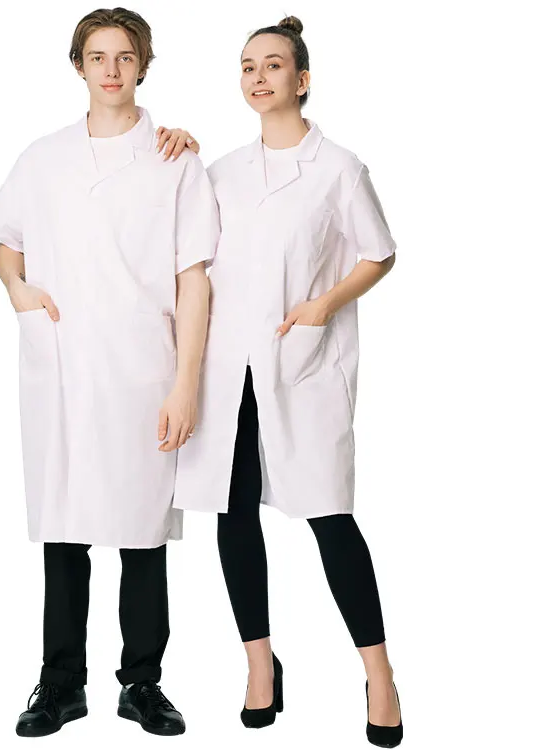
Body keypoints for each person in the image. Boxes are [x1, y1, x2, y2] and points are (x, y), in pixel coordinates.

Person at [0, 7, 218, 738]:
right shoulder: (43, 158)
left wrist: (185, 382)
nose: (111, 69)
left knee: (142, 534)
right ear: (78, 66)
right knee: (65, 530)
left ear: (143, 65)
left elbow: (195, 279)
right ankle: (60, 685)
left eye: (125, 56)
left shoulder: (175, 160)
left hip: (144, 369)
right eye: (97, 56)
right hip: (61, 370)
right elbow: (7, 244)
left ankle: (142, 683)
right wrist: (17, 288)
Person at [173, 15, 404, 747]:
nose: (258, 77)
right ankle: (260, 665)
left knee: (329, 514)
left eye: (273, 65)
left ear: (302, 81)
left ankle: (379, 675)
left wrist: (323, 305)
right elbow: (186, 250)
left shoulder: (338, 167)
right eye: (247, 66)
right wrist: (170, 148)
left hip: (300, 365)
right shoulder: (220, 173)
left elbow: (379, 253)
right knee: (233, 512)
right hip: (226, 367)